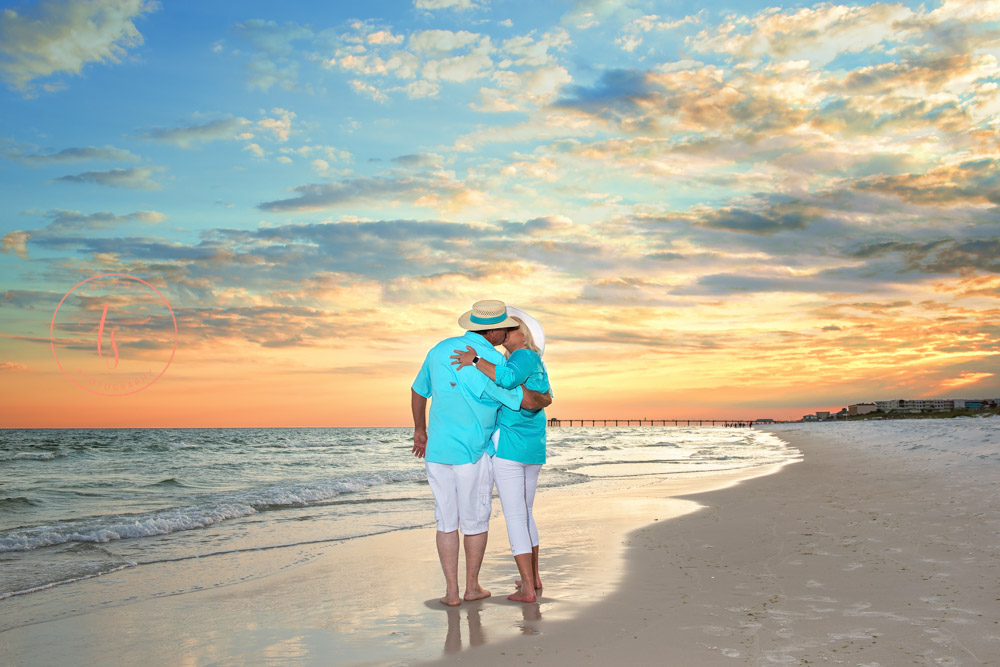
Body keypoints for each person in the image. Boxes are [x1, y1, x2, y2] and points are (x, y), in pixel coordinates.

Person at [411, 300, 552, 607]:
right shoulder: (492, 360)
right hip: (473, 452)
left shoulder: (439, 349)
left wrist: (419, 430)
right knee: (474, 521)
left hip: (437, 451)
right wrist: (545, 396)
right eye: (505, 326)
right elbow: (525, 401)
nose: (508, 332)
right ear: (494, 330)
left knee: (445, 521)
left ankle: (451, 592)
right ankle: (471, 587)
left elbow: (419, 390)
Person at [451, 307, 549, 603]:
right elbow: (536, 396)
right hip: (532, 446)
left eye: (511, 329)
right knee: (525, 513)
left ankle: (528, 589)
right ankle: (533, 578)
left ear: (523, 334)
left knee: (516, 516)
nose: (505, 334)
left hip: (510, 445)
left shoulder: (523, 356)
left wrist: (475, 360)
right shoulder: (534, 361)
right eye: (504, 330)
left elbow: (505, 381)